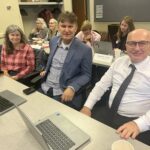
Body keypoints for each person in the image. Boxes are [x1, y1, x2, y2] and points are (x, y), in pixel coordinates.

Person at [80, 29, 150, 145]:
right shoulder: (119, 62)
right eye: (132, 43)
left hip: (138, 119)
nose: (136, 48)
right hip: (109, 111)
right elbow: (101, 86)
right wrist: (87, 107)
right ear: (126, 45)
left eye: (142, 43)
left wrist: (139, 124)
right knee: (89, 138)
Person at [39, 11, 92, 110]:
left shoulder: (85, 50)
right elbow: (52, 61)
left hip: (61, 92)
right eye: (63, 26)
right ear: (58, 27)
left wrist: (72, 87)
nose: (66, 30)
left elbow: (87, 75)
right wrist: (46, 69)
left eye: (70, 26)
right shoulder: (53, 41)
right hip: (44, 86)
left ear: (76, 28)